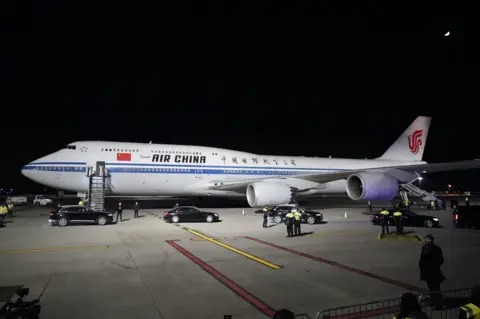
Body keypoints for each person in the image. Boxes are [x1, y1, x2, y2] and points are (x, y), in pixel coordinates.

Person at [419, 234, 445, 308]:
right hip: (427, 272)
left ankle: (438, 304)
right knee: (431, 288)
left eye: (428, 239)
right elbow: (422, 259)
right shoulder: (424, 248)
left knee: (435, 288)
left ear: (431, 240)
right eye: (426, 239)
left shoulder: (436, 249)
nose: (427, 240)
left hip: (433, 272)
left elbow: (440, 260)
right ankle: (434, 301)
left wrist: (434, 265)